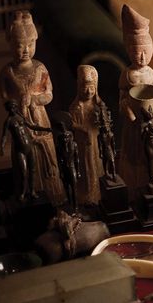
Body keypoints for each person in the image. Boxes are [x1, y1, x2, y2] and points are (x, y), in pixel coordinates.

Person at [0, 10, 63, 203]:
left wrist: (35, 100)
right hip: (21, 124)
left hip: (40, 118)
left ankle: (53, 194)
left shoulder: (40, 68)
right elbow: (4, 98)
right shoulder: (7, 72)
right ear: (10, 44)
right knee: (24, 159)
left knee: (46, 157)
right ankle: (28, 192)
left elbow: (49, 94)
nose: (26, 50)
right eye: (20, 45)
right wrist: (17, 105)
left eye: (30, 44)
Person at [118, 4, 153, 199]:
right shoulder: (127, 74)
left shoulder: (151, 73)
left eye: (145, 51)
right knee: (136, 155)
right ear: (128, 50)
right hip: (135, 124)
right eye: (136, 52)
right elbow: (122, 98)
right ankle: (136, 187)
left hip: (152, 123)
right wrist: (129, 112)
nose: (141, 57)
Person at [0, 100, 52, 202]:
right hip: (20, 149)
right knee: (23, 172)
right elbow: (4, 136)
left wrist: (45, 129)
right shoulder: (9, 121)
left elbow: (31, 126)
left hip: (29, 146)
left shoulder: (21, 117)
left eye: (13, 107)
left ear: (15, 107)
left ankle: (32, 191)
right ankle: (22, 192)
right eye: (10, 108)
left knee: (32, 170)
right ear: (8, 109)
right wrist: (1, 147)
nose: (12, 109)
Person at [69, 65, 105, 205]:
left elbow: (105, 120)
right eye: (85, 87)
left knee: (98, 164)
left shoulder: (98, 104)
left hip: (96, 141)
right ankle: (88, 193)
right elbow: (71, 123)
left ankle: (100, 191)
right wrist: (82, 128)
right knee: (86, 167)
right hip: (83, 143)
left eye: (92, 87)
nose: (89, 91)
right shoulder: (77, 106)